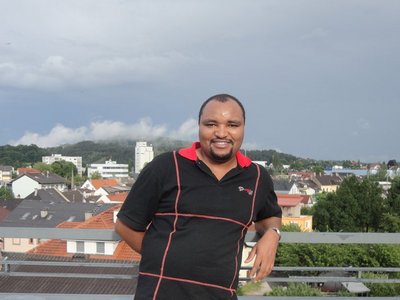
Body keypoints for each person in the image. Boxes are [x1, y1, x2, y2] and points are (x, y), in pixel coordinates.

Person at [115, 94, 282, 300]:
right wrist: (166, 260)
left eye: (232, 125)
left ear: (243, 128)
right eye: (211, 124)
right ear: (199, 126)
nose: (221, 133)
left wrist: (272, 234)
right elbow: (125, 225)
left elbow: (270, 216)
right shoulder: (166, 166)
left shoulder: (257, 177)